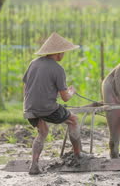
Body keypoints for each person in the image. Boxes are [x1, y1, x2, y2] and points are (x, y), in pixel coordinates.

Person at [23, 32, 82, 175]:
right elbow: (65, 98)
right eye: (63, 52)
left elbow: (26, 84)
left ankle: (34, 164)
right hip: (47, 108)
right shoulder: (58, 69)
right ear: (58, 53)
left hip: (29, 107)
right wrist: (71, 91)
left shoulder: (33, 63)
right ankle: (78, 156)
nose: (64, 55)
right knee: (73, 120)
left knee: (42, 132)